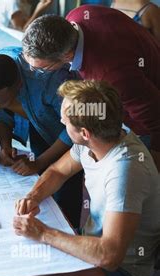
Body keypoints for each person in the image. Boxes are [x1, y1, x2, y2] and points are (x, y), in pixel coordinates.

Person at [11, 80, 160, 276]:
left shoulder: (125, 171)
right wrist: (34, 196)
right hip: (94, 246)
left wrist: (42, 233)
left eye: (65, 120)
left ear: (84, 133)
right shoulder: (99, 138)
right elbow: (58, 171)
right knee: (17, 273)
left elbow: (109, 255)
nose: (61, 122)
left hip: (123, 275)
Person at [21, 7, 160, 171]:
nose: (32, 71)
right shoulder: (78, 15)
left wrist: (150, 161)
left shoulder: (111, 76)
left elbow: (155, 119)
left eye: (41, 68)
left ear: (66, 56)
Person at [0, 49, 83, 228]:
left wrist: (40, 162)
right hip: (37, 126)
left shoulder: (52, 80)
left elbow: (74, 128)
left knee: (64, 193)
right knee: (36, 186)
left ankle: (68, 233)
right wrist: (5, 145)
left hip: (70, 131)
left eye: (2, 102)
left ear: (18, 85)